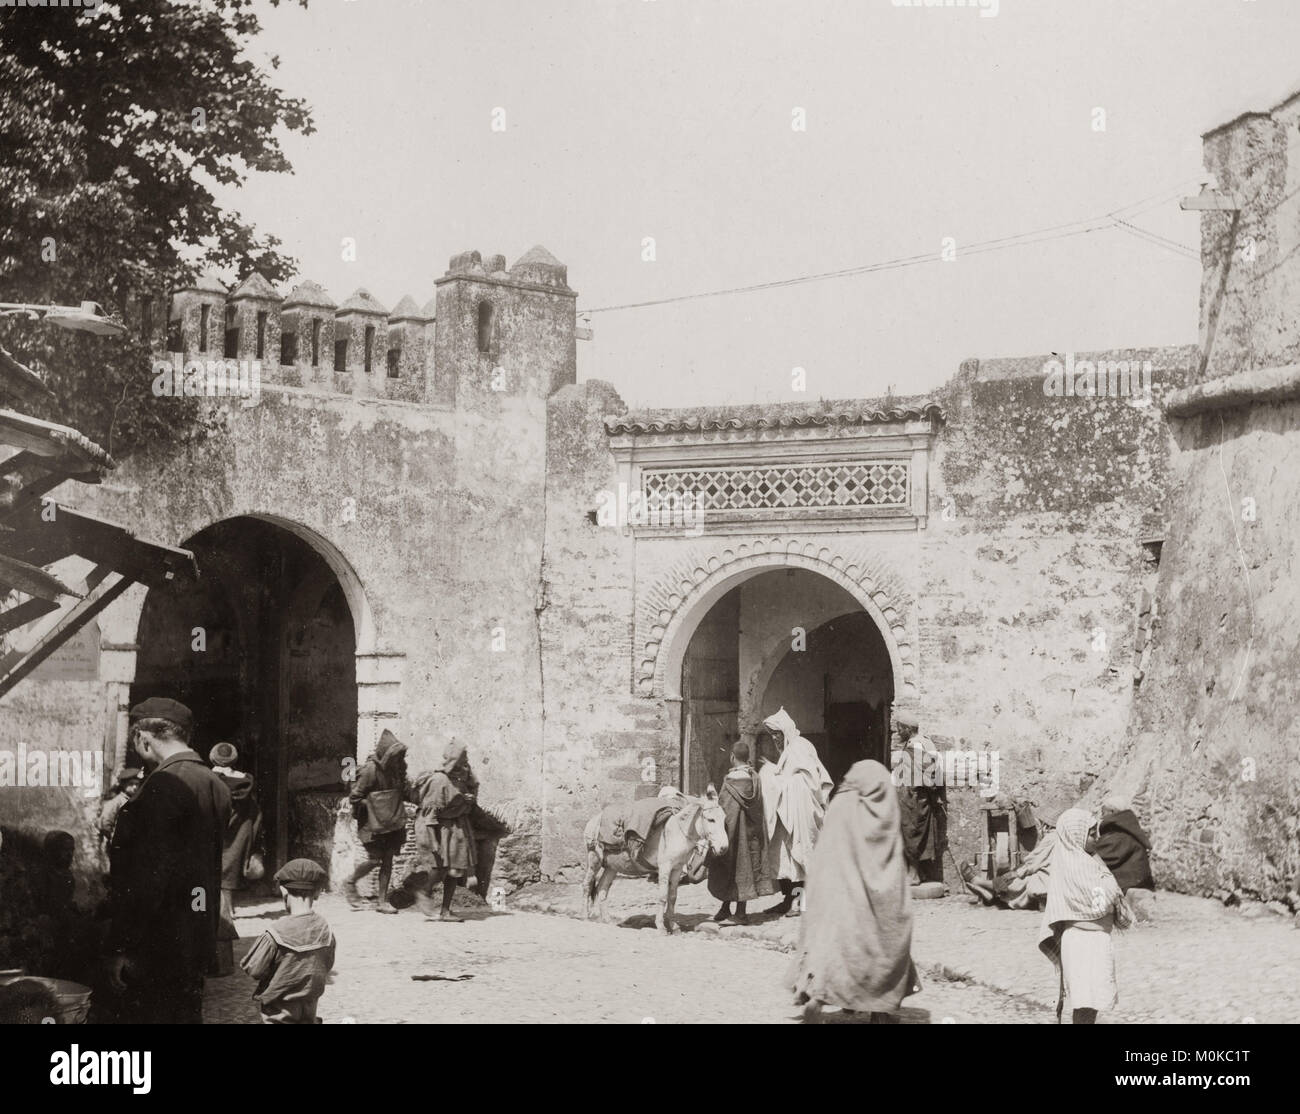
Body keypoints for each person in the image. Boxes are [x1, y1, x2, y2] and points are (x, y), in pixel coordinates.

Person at [106, 697, 231, 1024]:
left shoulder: (161, 787)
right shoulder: (215, 784)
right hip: (195, 935)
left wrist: (123, 945)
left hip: (157, 944)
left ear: (142, 740)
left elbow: (145, 879)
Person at [790, 760, 922, 1023]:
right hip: (875, 900)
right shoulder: (880, 805)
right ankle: (879, 1010)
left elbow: (825, 856)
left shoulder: (841, 803)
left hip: (836, 895)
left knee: (837, 947)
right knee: (880, 946)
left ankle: (821, 996)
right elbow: (889, 859)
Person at [1037, 807, 1132, 1024]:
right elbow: (1106, 897)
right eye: (1091, 834)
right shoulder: (1075, 867)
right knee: (1084, 1004)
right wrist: (1110, 886)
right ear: (1076, 835)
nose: (1097, 838)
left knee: (1092, 1004)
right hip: (1082, 942)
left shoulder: (1086, 862)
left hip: (1097, 940)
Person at [239, 858, 335, 1024]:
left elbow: (254, 969)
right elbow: (328, 964)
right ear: (318, 892)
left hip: (279, 1010)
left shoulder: (276, 932)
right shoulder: (326, 929)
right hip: (310, 1007)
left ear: (283, 891)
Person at [759, 708, 832, 917]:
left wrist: (773, 774)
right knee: (784, 858)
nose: (774, 738)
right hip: (787, 812)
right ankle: (787, 899)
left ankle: (800, 902)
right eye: (772, 734)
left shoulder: (800, 747)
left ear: (786, 731)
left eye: (777, 734)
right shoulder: (789, 750)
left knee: (799, 857)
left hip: (801, 813)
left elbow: (806, 782)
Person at [402, 742, 480, 922]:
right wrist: (434, 841)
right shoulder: (439, 780)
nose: (467, 760)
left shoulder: (462, 777)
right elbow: (430, 812)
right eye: (464, 756)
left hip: (457, 827)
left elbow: (471, 788)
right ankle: (423, 891)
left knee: (455, 869)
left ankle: (446, 910)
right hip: (440, 828)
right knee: (439, 868)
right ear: (457, 758)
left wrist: (468, 798)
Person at [208, 742, 262, 974]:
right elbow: (256, 815)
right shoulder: (247, 782)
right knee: (226, 884)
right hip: (237, 839)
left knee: (202, 893)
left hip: (211, 840)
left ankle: (216, 959)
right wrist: (251, 843)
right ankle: (227, 914)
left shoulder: (206, 780)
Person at [343, 729, 409, 914]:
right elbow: (355, 797)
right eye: (394, 757)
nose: (398, 760)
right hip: (371, 824)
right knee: (374, 859)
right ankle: (350, 881)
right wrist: (376, 804)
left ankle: (382, 901)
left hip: (391, 822)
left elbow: (403, 791)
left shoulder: (397, 771)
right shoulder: (371, 770)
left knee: (388, 860)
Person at [709, 740, 773, 924]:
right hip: (751, 833)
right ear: (748, 758)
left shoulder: (730, 782)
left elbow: (723, 810)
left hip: (734, 834)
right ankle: (726, 908)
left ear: (732, 757)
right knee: (746, 869)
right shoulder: (755, 778)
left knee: (730, 868)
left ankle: (740, 914)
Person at [891, 710, 948, 885]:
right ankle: (918, 873)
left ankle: (913, 874)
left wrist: (931, 791)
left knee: (911, 833)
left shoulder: (916, 746)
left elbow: (930, 773)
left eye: (900, 728)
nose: (898, 732)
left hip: (914, 797)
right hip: (914, 795)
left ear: (907, 728)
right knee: (915, 833)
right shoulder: (923, 742)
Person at [1092, 794, 1156, 921]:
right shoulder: (1126, 831)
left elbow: (1101, 857)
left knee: (1094, 878)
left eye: (1103, 812)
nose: (1101, 816)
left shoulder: (1119, 835)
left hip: (1129, 882)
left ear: (1112, 812)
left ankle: (1096, 914)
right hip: (1136, 879)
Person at [96, 765, 144, 851]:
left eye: (137, 784)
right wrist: (115, 838)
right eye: (131, 784)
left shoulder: (136, 802)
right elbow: (105, 823)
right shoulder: (116, 802)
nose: (135, 787)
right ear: (124, 785)